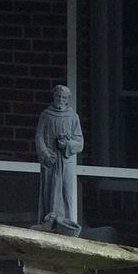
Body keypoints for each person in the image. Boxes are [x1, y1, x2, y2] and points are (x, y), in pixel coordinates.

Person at [35, 85, 84, 235]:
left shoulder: (73, 117)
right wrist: (45, 155)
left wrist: (67, 145)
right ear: (54, 97)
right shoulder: (46, 115)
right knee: (49, 193)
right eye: (58, 97)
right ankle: (49, 222)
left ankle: (67, 224)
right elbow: (39, 137)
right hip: (51, 162)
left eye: (64, 98)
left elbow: (80, 142)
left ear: (68, 99)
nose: (60, 100)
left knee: (66, 193)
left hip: (66, 162)